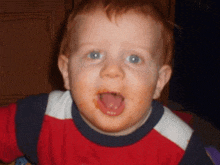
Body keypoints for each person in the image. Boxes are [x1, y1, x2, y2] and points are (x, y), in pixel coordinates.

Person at [0, 0, 214, 164]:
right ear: (66, 71)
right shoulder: (39, 118)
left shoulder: (178, 144)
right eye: (94, 55)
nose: (112, 71)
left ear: (159, 80)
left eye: (134, 58)